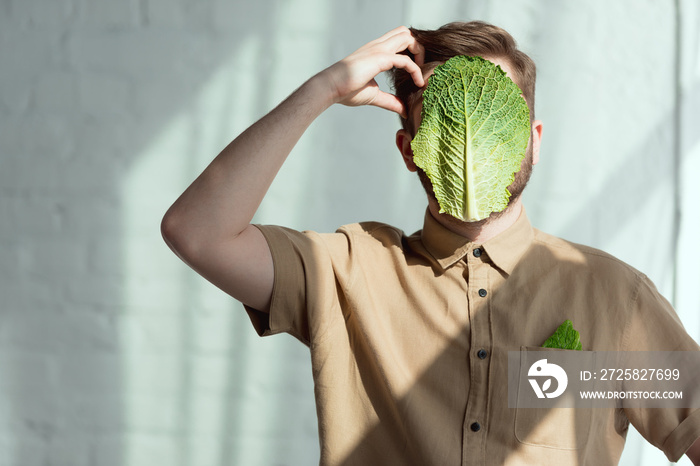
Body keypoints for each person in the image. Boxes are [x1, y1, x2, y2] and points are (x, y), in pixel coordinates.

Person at [161, 21, 700, 465]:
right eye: (445, 120)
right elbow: (196, 232)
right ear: (408, 148)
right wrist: (323, 88)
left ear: (532, 142)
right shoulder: (348, 271)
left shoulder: (612, 296)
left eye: (496, 122)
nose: (472, 141)